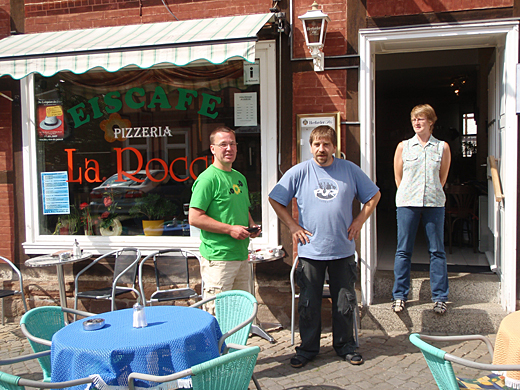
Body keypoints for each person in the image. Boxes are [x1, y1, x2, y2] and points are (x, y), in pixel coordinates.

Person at [268, 125, 380, 368]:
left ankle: (346, 347)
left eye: (326, 144)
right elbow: (275, 198)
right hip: (311, 251)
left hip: (342, 249)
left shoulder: (349, 170)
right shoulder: (299, 172)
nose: (321, 149)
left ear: (334, 147)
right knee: (309, 303)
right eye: (317, 144)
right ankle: (307, 349)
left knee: (344, 302)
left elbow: (374, 195)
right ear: (310, 147)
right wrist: (293, 226)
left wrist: (359, 220)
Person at [188, 126, 261, 313]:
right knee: (217, 312)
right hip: (219, 259)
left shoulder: (240, 178)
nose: (229, 148)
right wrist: (230, 229)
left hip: (241, 254)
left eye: (232, 144)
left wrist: (251, 224)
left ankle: (236, 343)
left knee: (239, 312)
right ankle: (214, 344)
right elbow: (194, 218)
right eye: (223, 144)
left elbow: (243, 208)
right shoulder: (207, 179)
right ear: (213, 149)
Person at [392, 104, 451, 315]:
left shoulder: (442, 147)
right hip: (408, 203)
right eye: (414, 119)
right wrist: (409, 193)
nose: (417, 123)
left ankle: (440, 297)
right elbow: (398, 177)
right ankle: (399, 295)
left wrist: (431, 192)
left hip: (434, 203)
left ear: (431, 122)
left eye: (421, 119)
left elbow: (442, 177)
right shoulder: (403, 147)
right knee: (403, 250)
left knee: (437, 250)